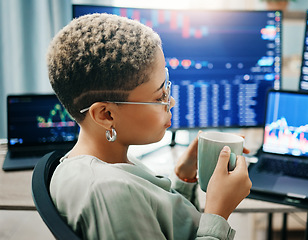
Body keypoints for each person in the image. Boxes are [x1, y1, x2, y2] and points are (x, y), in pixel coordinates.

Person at [47, 13, 252, 240]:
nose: (170, 101)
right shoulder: (112, 192)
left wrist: (184, 179)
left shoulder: (113, 160)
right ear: (106, 115)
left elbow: (169, 226)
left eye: (167, 89)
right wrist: (218, 213)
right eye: (159, 97)